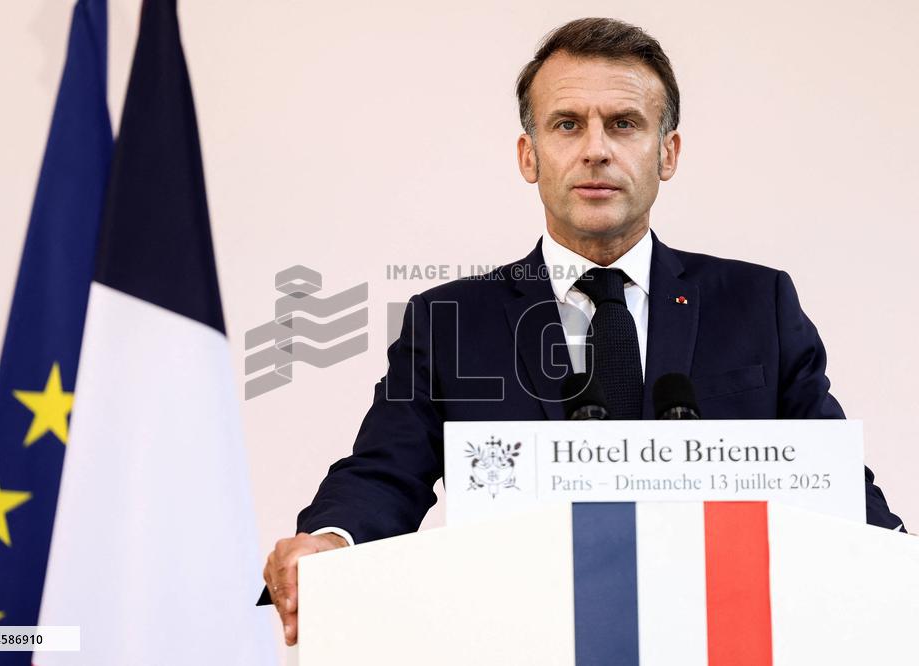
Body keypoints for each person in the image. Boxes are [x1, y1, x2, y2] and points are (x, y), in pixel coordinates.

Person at [261, 17, 905, 645]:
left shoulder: (756, 303)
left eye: (624, 124)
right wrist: (329, 541)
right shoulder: (452, 319)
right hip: (523, 637)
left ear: (668, 151)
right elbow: (384, 472)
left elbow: (835, 480)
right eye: (567, 124)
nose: (596, 148)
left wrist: (904, 569)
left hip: (714, 636)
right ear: (529, 155)